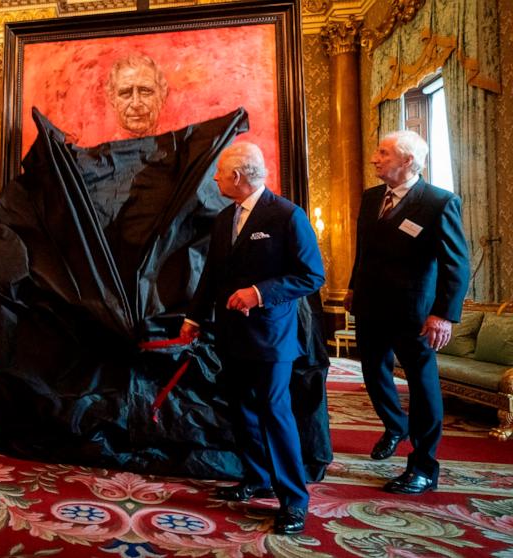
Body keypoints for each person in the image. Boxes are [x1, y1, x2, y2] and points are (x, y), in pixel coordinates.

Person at [181, 142, 324, 535]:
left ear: (238, 177)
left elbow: (311, 276)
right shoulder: (225, 217)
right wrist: (194, 317)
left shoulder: (286, 215)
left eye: (220, 173)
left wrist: (259, 293)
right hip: (231, 335)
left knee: (275, 414)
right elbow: (210, 275)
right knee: (242, 410)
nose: (215, 178)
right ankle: (257, 477)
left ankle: (294, 500)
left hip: (271, 337)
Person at [345, 130, 469, 495]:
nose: (374, 159)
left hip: (414, 314)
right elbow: (364, 250)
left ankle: (424, 466)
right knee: (371, 371)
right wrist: (353, 286)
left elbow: (456, 264)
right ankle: (395, 425)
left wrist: (443, 314)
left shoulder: (439, 202)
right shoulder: (371, 198)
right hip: (370, 306)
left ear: (407, 161)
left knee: (422, 385)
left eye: (383, 153)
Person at [106, 54, 168, 137]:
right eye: (125, 93)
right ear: (112, 99)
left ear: (162, 95)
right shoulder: (102, 149)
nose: (136, 104)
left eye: (145, 91)